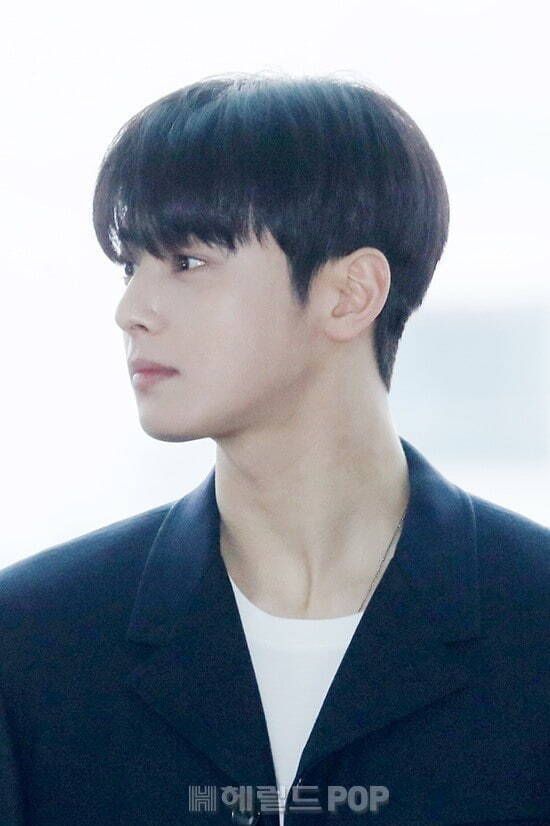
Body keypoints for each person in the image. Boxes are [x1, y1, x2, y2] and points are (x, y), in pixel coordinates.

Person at [0, 71, 548, 826]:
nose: (131, 310)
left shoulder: (534, 626)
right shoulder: (36, 640)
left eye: (187, 261)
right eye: (132, 266)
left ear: (350, 294)